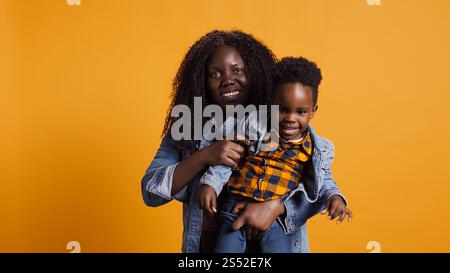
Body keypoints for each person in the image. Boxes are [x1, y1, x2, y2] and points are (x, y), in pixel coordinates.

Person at [198, 56, 352, 252]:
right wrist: (210, 184)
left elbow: (324, 181)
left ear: (313, 111)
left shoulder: (316, 148)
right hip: (235, 209)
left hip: (277, 221)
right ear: (271, 104)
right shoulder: (253, 126)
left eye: (301, 112)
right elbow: (229, 157)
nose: (290, 119)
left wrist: (335, 198)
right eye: (283, 109)